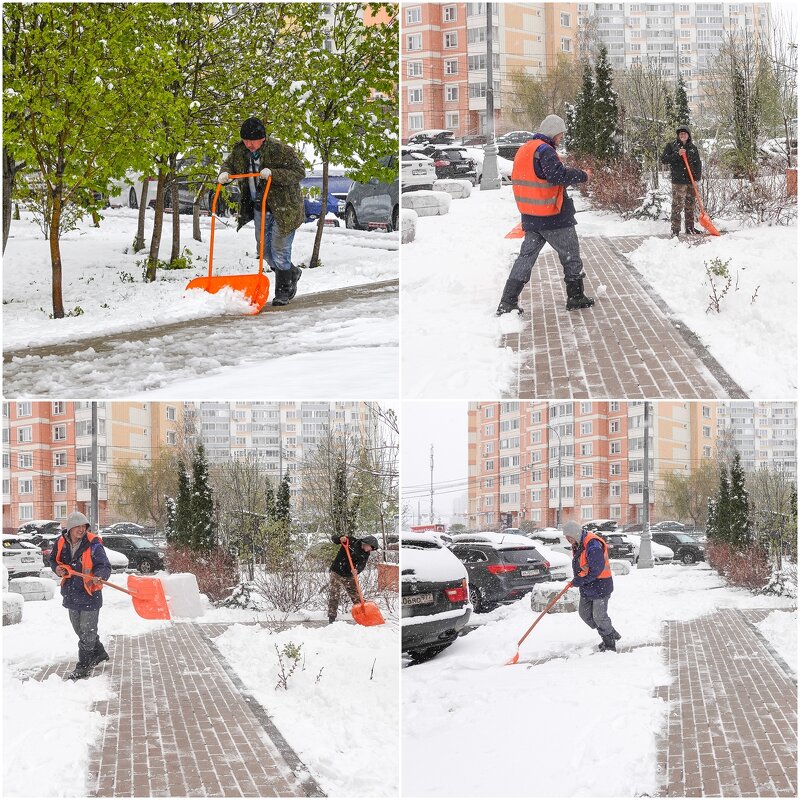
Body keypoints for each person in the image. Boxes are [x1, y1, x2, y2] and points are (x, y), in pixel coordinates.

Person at [497, 114, 594, 316]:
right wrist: (582, 175)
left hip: (532, 215)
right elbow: (556, 175)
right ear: (554, 133)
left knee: (526, 257)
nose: (560, 139)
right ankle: (576, 297)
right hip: (553, 215)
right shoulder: (545, 150)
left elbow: (539, 177)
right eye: (560, 135)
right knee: (571, 255)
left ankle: (508, 301)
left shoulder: (525, 149)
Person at [219, 117, 306, 306]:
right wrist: (225, 173)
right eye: (245, 140)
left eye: (252, 140)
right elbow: (229, 165)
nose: (249, 144)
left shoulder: (279, 150)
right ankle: (291, 273)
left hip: (285, 209)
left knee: (280, 250)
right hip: (260, 207)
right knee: (265, 251)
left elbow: (299, 172)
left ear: (263, 138)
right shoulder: (240, 150)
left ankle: (283, 292)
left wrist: (274, 174)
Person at [50, 512, 112, 680]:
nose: (81, 530)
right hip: (71, 594)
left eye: (84, 527)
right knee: (80, 629)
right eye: (78, 526)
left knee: (87, 632)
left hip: (90, 593)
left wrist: (100, 575)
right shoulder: (61, 542)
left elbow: (104, 565)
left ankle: (83, 666)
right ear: (70, 528)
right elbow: (53, 561)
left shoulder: (93, 543)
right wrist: (58, 569)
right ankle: (98, 652)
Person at [563, 520, 621, 652]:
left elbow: (596, 570)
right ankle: (611, 633)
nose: (567, 539)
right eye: (566, 537)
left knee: (599, 616)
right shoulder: (579, 543)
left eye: (568, 536)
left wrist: (579, 581)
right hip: (588, 586)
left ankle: (609, 643)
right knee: (584, 614)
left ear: (575, 533)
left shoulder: (592, 544)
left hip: (600, 585)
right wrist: (578, 580)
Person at [660, 124, 703, 237]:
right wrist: (677, 154)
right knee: (677, 206)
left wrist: (697, 178)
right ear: (678, 135)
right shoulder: (671, 146)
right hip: (679, 181)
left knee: (690, 205)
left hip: (691, 181)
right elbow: (664, 159)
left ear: (688, 135)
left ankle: (690, 228)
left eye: (685, 133)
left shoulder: (693, 148)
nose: (682, 135)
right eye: (680, 133)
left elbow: (698, 163)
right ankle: (675, 230)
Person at [327, 533, 379, 623]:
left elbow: (362, 565)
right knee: (334, 594)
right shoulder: (351, 541)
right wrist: (340, 538)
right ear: (366, 543)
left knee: (356, 596)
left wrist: (357, 570)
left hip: (349, 575)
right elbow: (334, 538)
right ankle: (331, 618)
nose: (370, 550)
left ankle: (363, 616)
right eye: (371, 547)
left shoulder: (366, 553)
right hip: (337, 572)